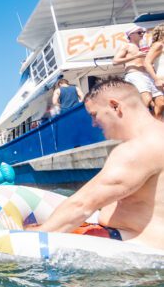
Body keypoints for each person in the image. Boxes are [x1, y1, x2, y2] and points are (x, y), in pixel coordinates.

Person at [26, 78, 164, 250]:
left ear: (115, 106)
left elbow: (82, 205)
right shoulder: (157, 136)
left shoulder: (137, 150)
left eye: (94, 114)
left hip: (140, 255)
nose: (93, 123)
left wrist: (34, 237)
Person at [113, 26, 161, 109]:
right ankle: (139, 119)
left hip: (148, 76)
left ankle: (155, 120)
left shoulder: (143, 47)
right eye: (139, 32)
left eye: (143, 32)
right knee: (147, 99)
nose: (142, 34)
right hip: (135, 74)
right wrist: (135, 56)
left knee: (160, 102)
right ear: (131, 35)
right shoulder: (127, 46)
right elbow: (115, 61)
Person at [144, 23, 164, 119]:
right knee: (159, 107)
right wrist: (156, 79)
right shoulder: (158, 45)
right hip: (161, 80)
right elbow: (147, 62)